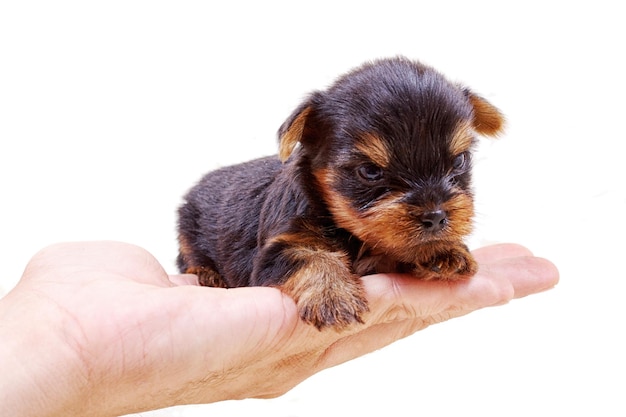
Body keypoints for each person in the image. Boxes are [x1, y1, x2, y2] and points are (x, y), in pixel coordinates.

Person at [0, 241, 558, 417]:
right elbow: (285, 254)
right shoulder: (294, 210)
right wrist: (68, 344)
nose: (433, 206)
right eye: (369, 172)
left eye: (455, 167)